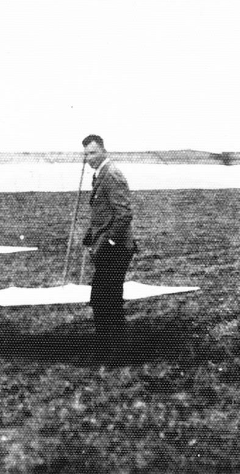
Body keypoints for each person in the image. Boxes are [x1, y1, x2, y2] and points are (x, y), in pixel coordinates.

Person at [80, 135, 137, 356]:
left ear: (104, 151)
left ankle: (115, 351)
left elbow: (124, 214)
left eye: (93, 153)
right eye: (85, 154)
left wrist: (110, 241)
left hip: (116, 248)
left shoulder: (111, 174)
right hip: (107, 245)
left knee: (106, 299)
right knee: (104, 298)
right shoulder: (100, 175)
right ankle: (110, 348)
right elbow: (103, 213)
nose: (89, 158)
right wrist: (90, 235)